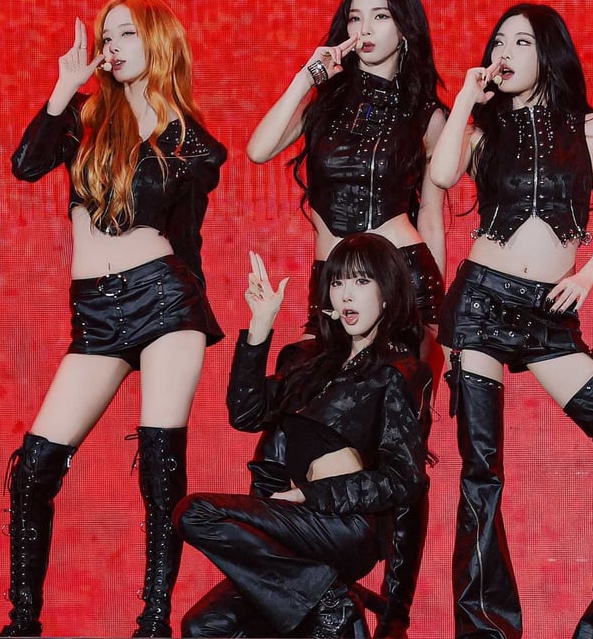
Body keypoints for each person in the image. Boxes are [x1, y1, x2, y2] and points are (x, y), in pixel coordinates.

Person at [430, 4, 593, 639]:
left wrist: (586, 278)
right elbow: (442, 175)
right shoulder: (483, 130)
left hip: (548, 317)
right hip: (479, 305)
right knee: (482, 470)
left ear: (549, 52)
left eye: (521, 42)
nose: (505, 52)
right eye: (498, 42)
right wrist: (467, 99)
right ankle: (485, 630)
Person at [0, 0, 226, 638]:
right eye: (107, 36)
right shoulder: (85, 120)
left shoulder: (191, 143)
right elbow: (26, 165)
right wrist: (65, 87)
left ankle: (154, 624)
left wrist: (196, 314)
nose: (112, 46)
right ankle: (23, 624)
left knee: (159, 467)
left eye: (126, 34)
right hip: (95, 316)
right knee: (34, 467)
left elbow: (187, 238)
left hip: (163, 300)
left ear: (157, 41)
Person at [246, 0, 446, 635]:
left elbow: (432, 212)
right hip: (331, 285)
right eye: (354, 18)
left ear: (404, 29)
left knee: (399, 453)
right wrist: (309, 74)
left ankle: (395, 617)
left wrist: (441, 321)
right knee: (319, 431)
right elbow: (258, 147)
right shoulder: (324, 102)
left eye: (380, 17)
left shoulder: (424, 113)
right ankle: (322, 599)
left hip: (404, 285)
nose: (364, 30)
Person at [174, 234, 431, 638]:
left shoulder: (397, 372)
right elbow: (246, 414)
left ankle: (329, 598)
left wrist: (308, 495)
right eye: (338, 282)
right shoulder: (306, 360)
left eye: (362, 281)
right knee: (203, 626)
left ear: (387, 292)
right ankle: (329, 596)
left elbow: (404, 481)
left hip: (342, 525)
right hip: (293, 527)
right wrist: (260, 325)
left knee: (196, 511)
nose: (347, 294)